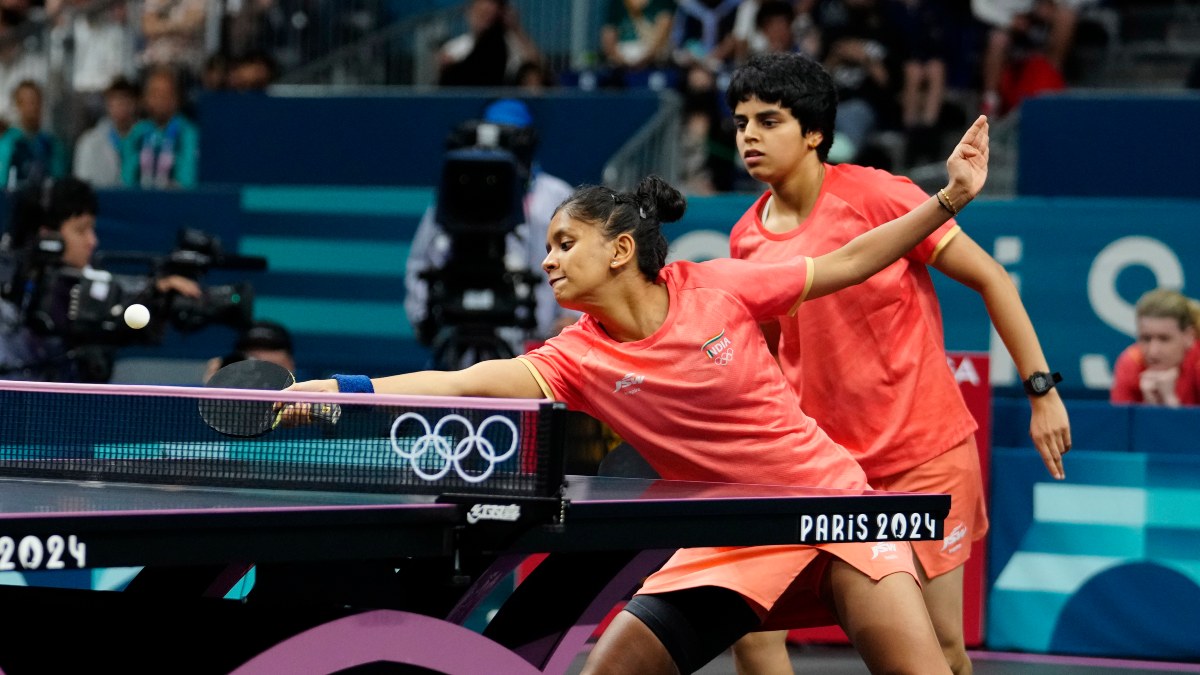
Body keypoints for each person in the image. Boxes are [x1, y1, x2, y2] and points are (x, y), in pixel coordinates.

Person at [287, 113, 990, 674]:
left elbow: (847, 260)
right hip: (727, 538)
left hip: (828, 508)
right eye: (549, 246)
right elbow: (462, 380)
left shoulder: (713, 286)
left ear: (620, 250)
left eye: (566, 243)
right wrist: (352, 389)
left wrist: (949, 198)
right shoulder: (574, 357)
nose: (548, 258)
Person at [722, 52, 1070, 675]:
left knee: (938, 650)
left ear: (814, 133)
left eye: (768, 121)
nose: (748, 134)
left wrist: (1042, 391)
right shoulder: (746, 237)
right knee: (751, 625)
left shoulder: (878, 194)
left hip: (921, 455)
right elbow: (772, 356)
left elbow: (991, 278)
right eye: (741, 121)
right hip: (823, 466)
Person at [403, 98, 575, 366]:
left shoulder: (556, 196)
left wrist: (572, 318)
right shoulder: (454, 194)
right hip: (460, 337)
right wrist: (422, 317)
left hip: (539, 343)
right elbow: (422, 260)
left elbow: (577, 261)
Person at [0, 177, 201, 382]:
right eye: (81, 230)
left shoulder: (87, 284)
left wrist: (155, 293)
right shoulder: (8, 299)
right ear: (47, 238)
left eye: (92, 229)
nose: (92, 241)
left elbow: (120, 294)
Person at [1110, 289, 1200, 407]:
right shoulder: (1130, 362)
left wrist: (1170, 402)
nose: (1153, 352)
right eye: (1146, 339)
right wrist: (1150, 408)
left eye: (1164, 339)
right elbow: (1119, 424)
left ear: (1189, 337)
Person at [121, 66, 200, 189]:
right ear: (145, 98)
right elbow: (126, 179)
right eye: (154, 93)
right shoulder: (136, 133)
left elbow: (188, 180)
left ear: (176, 98)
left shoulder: (189, 133)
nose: (160, 99)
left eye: (165, 93)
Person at [0, 80, 68, 190]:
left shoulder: (51, 143)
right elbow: (2, 183)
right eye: (27, 102)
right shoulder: (8, 143)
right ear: (18, 105)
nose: (32, 108)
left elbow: (59, 178)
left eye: (36, 101)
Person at [73, 76, 139, 187]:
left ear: (135, 104)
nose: (122, 106)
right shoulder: (89, 142)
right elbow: (82, 184)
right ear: (108, 104)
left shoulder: (144, 138)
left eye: (126, 101)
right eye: (117, 101)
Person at [202, 319, 297, 383]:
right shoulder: (192, 396)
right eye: (253, 349)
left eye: (271, 347)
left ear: (290, 364)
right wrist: (212, 393)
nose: (262, 358)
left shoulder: (309, 399)